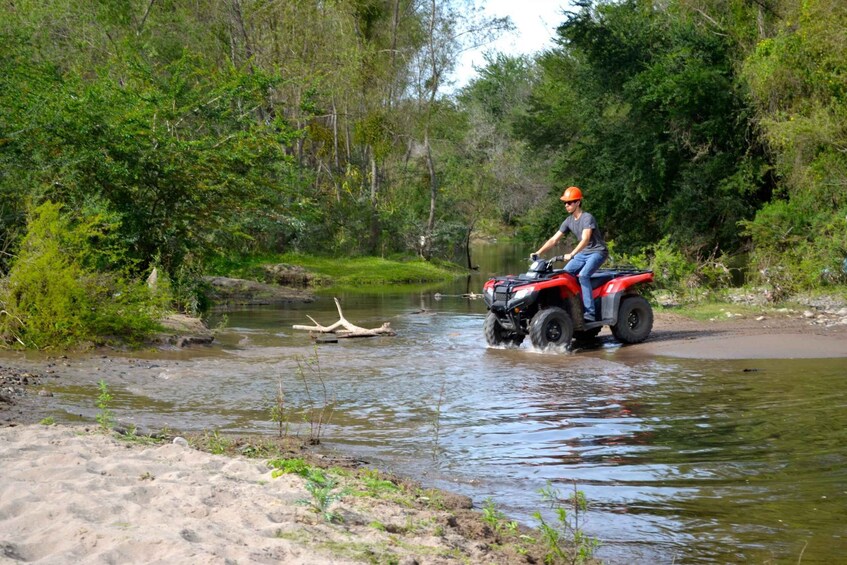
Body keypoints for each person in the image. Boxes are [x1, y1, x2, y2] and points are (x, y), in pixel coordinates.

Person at [532, 186, 608, 322]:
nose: (566, 205)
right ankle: (571, 307)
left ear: (578, 202)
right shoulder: (568, 221)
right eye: (565, 203)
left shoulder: (587, 218)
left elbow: (585, 239)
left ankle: (590, 313)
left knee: (584, 275)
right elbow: (554, 239)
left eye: (570, 202)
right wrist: (538, 252)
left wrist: (571, 254)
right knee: (565, 275)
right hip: (583, 253)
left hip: (597, 252)